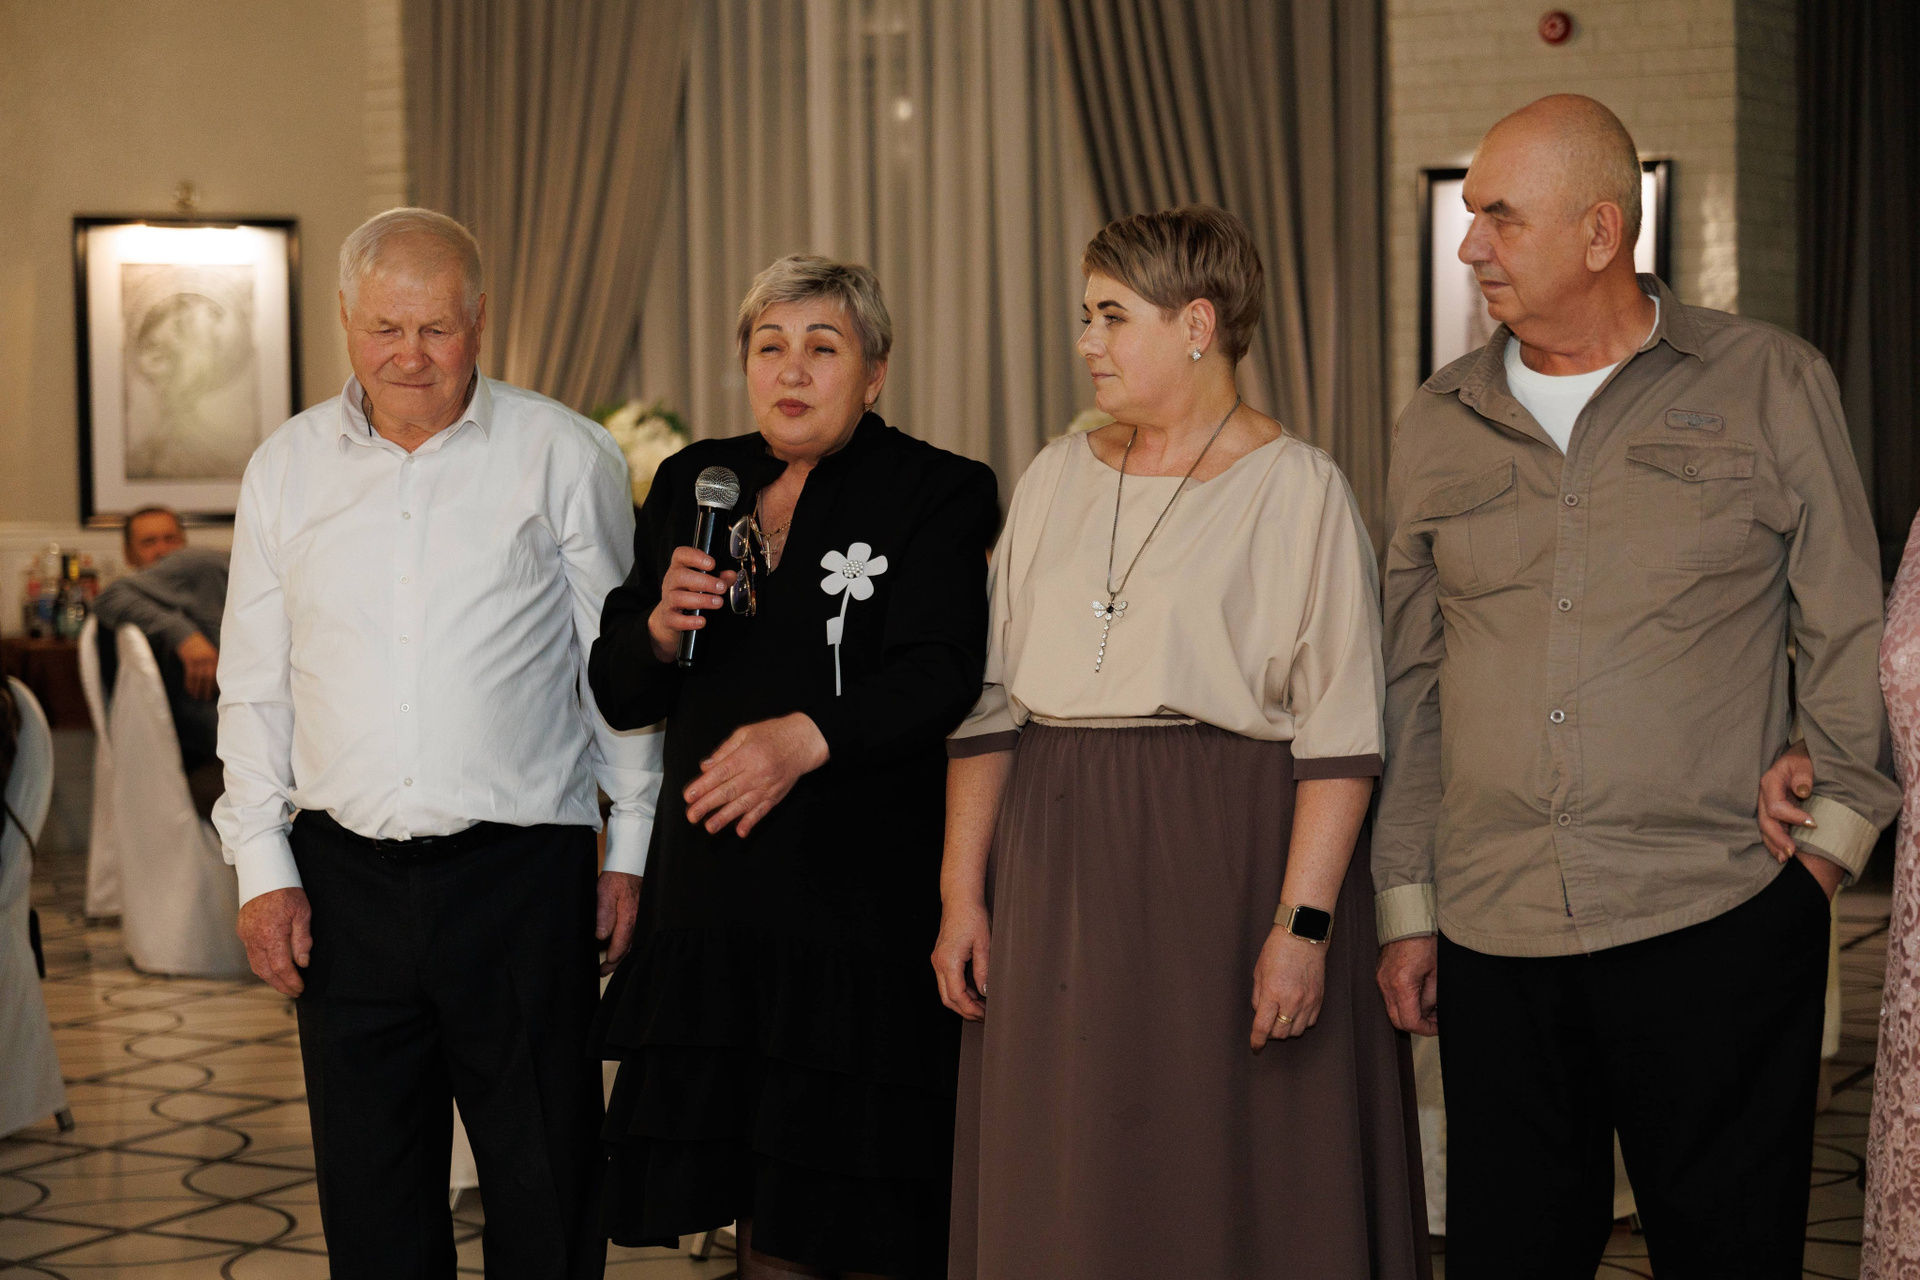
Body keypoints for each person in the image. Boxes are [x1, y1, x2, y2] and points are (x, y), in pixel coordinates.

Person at [1373, 94, 1899, 1279]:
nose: (1471, 246)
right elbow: (1412, 680)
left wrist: (1826, 854)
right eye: (1470, 216)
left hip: (1715, 915)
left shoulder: (1771, 381)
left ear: (1601, 231)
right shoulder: (1438, 421)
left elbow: (1846, 622)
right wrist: (1407, 904)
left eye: (1501, 218)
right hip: (1496, 930)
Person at [937, 205, 1429, 1280]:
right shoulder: (1054, 474)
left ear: (1197, 324)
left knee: (1226, 1169)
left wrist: (1302, 927)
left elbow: (1342, 739)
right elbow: (989, 710)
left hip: (1228, 864)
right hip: (1056, 869)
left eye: (1112, 316)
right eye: (1087, 314)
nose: (1087, 341)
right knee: (1071, 1170)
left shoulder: (1301, 489)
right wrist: (961, 895)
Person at [214, 207, 663, 1277]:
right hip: (342, 886)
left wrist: (632, 847)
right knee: (372, 1206)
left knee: (547, 1190)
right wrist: (262, 869)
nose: (409, 356)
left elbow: (618, 673)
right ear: (345, 320)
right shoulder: (283, 469)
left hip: (523, 878)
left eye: (436, 328)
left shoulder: (566, 453)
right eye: (385, 328)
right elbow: (254, 686)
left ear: (480, 321)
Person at [588, 255, 1000, 1280]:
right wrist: (658, 627)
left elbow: (944, 671)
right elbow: (620, 690)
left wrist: (805, 736)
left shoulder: (937, 490)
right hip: (714, 907)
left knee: (851, 1213)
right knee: (747, 1206)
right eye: (770, 346)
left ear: (875, 372)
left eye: (824, 347)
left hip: (853, 908)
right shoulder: (696, 481)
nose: (793, 370)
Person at [93, 506, 228, 816]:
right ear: (128, 554)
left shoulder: (200, 574)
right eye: (149, 542)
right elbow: (107, 598)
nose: (163, 551)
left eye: (171, 539)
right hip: (206, 757)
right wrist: (185, 635)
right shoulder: (140, 598)